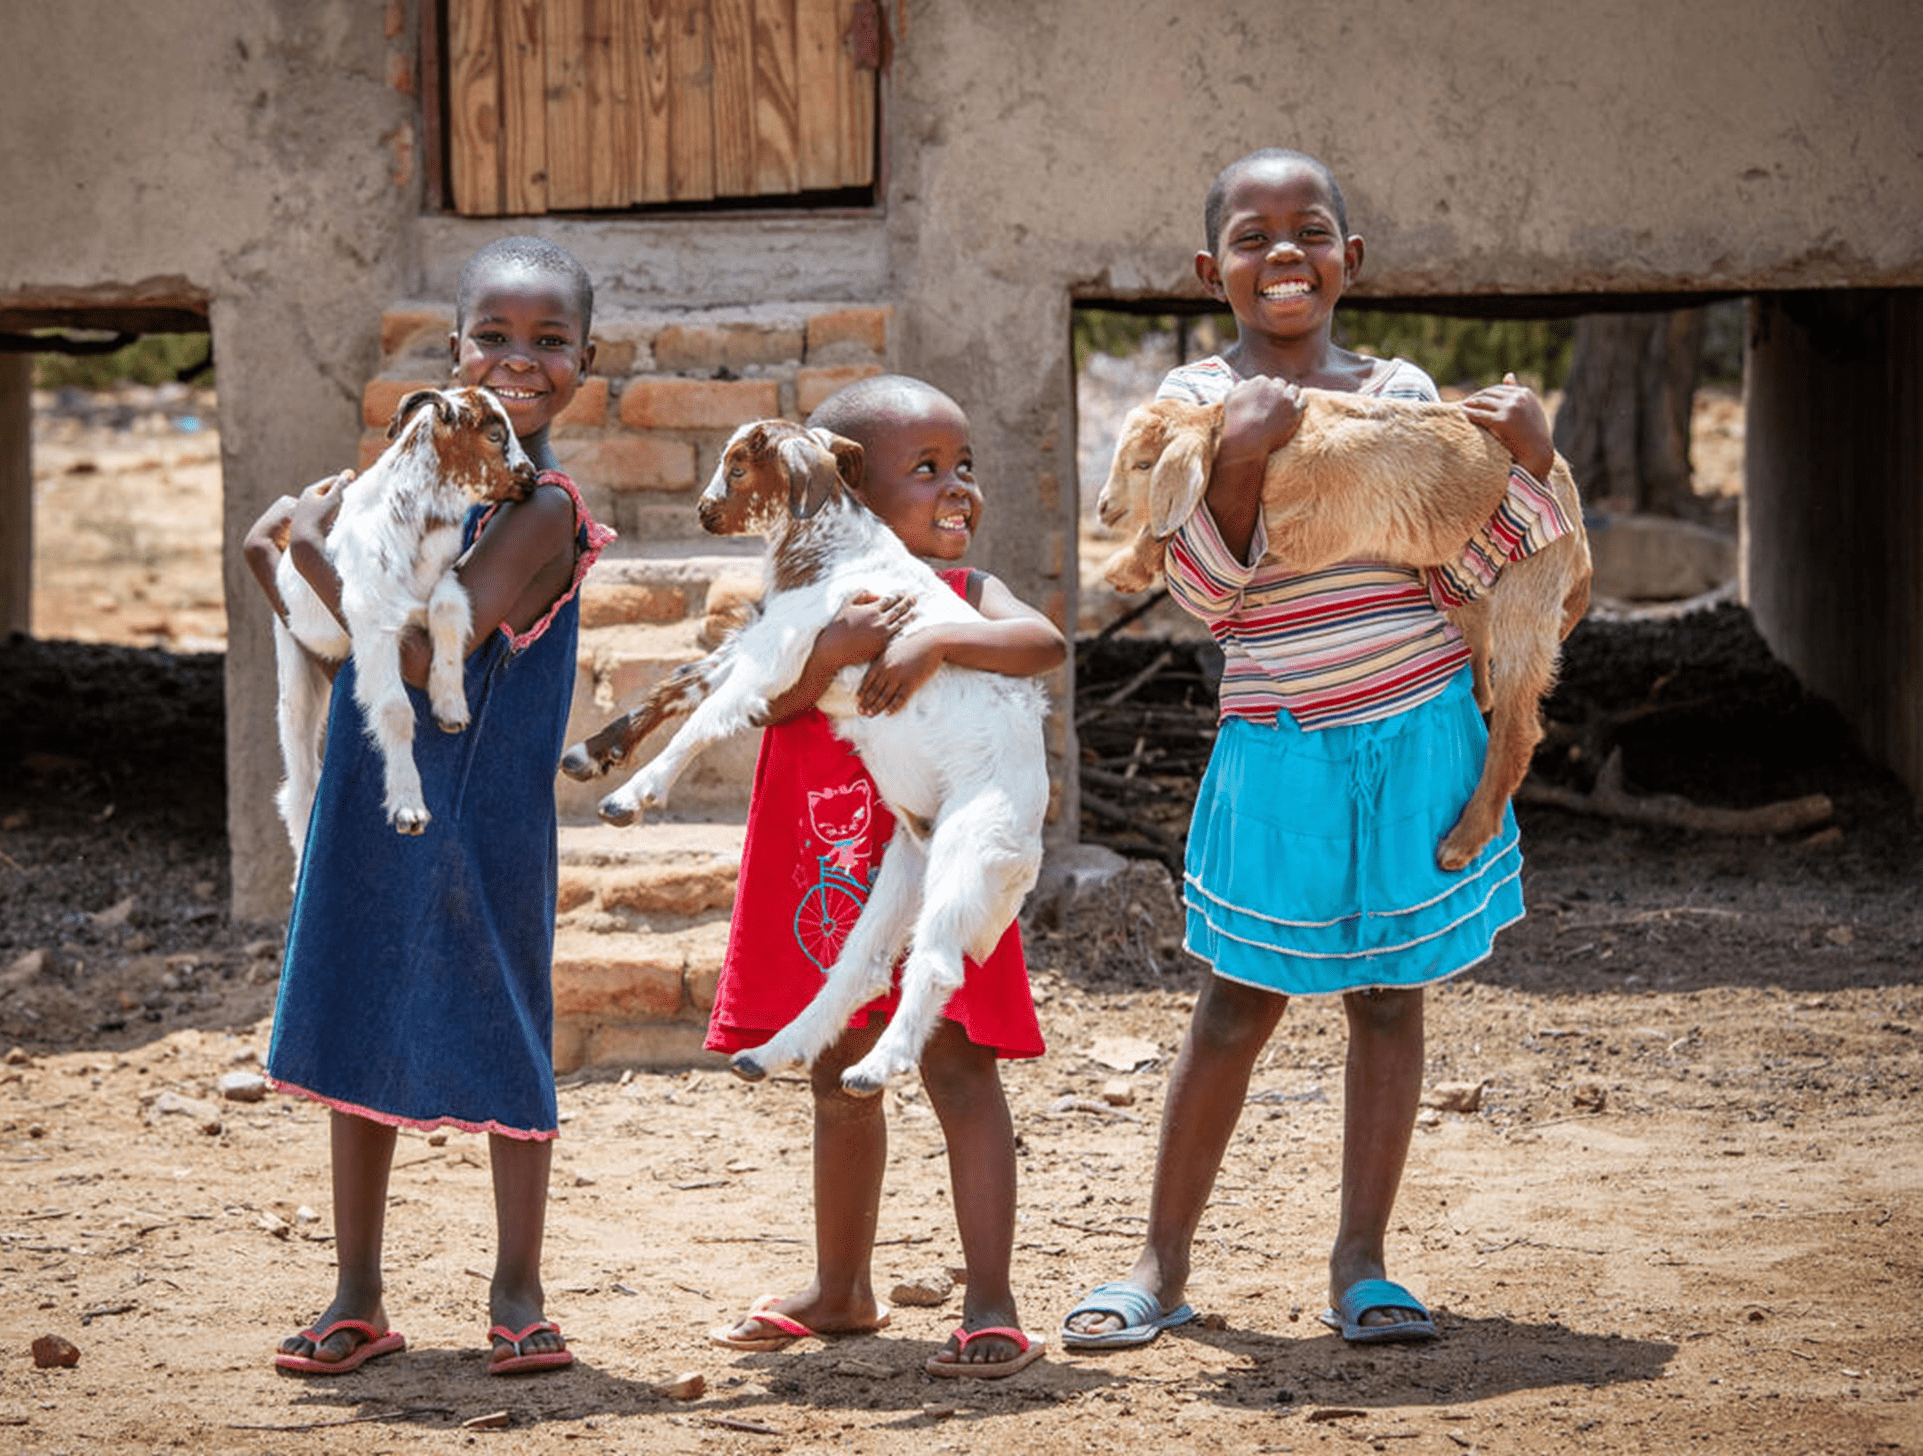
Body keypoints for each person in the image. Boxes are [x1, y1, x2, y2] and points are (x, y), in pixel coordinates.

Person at [1061, 149, 1574, 1350]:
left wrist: (1535, 460)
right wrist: (1237, 455)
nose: (1281, 251)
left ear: (1352, 259)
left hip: (1413, 733)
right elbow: (1209, 596)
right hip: (1277, 746)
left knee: (1388, 998)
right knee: (1234, 1003)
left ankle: (1362, 1264)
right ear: (1209, 270)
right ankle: (1158, 1261)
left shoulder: (1399, 392)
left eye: (1309, 230)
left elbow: (1460, 565)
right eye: (1251, 235)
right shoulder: (1188, 404)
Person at [243, 236, 613, 1377]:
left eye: (549, 342)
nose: (518, 360)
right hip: (376, 782)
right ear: (452, 352)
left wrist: (303, 547)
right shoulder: (402, 483)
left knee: (503, 1014)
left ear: (585, 363)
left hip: (487, 804)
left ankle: (517, 1286)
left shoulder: (542, 511)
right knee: (356, 1005)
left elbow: (410, 656)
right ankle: (356, 1291)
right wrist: (292, 556)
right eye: (492, 337)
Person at [702, 375, 1068, 1378]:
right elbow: (764, 704)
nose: (957, 487)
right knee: (836, 1073)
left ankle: (989, 1300)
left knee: (957, 1064)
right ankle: (841, 1289)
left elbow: (1043, 643)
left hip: (936, 854)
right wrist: (830, 652)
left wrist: (936, 635)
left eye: (964, 466)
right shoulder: (802, 595)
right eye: (926, 470)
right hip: (825, 858)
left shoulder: (965, 595)